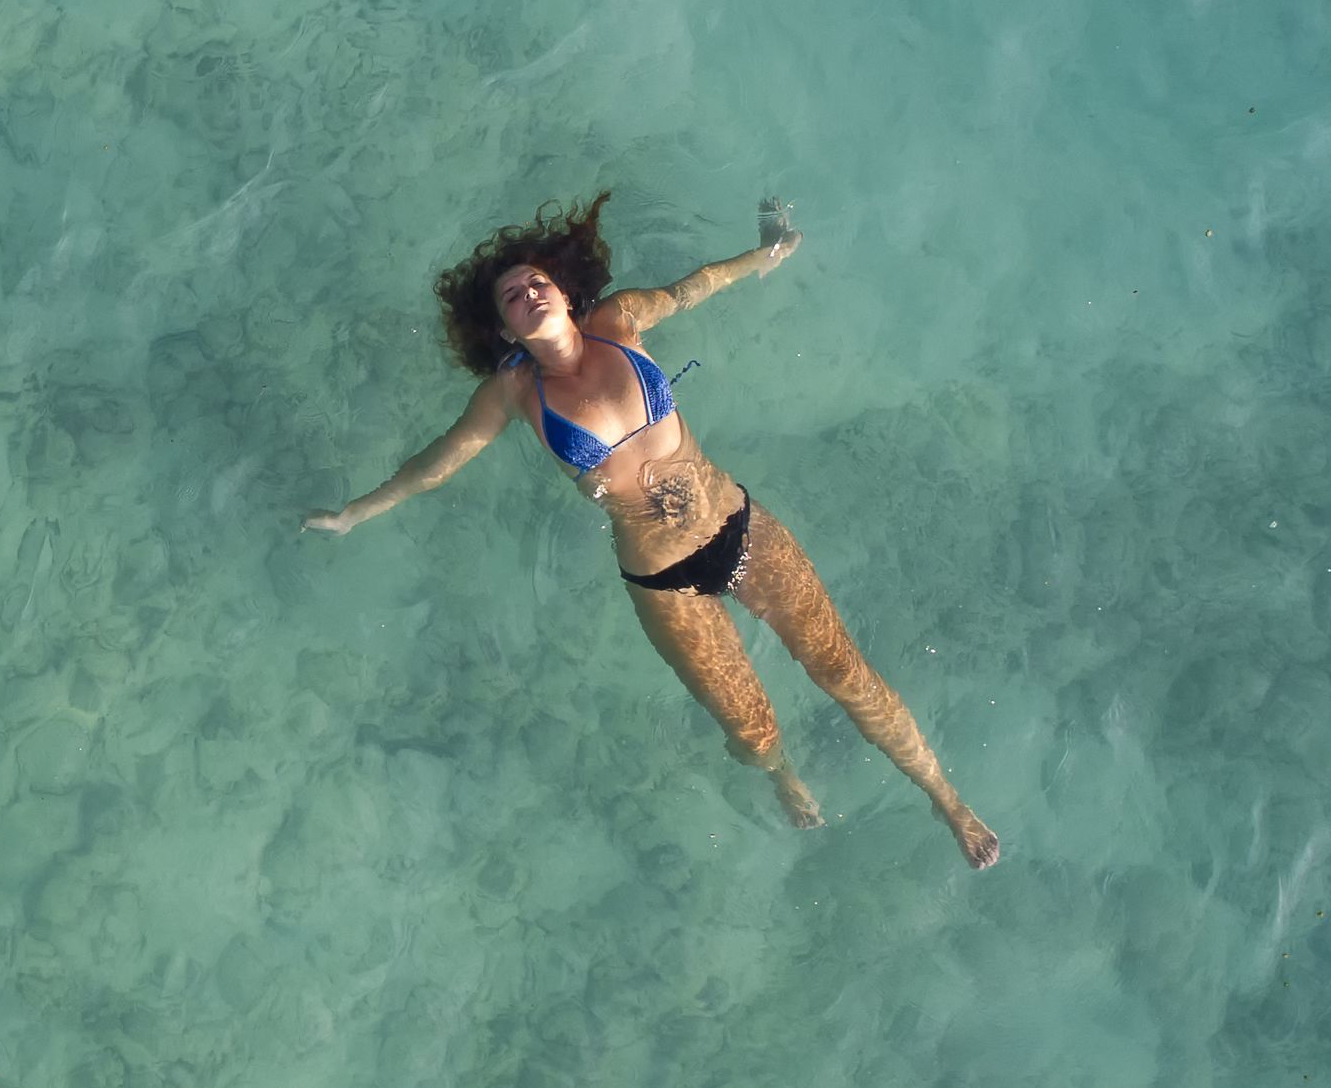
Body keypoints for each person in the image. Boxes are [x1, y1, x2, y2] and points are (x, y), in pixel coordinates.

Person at [305, 192, 1001, 868]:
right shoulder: (513, 394)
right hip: (667, 582)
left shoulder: (620, 322)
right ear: (507, 332)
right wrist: (353, 514)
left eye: (537, 283)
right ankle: (782, 775)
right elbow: (435, 464)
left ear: (566, 296)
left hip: (739, 527)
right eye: (513, 297)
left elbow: (694, 287)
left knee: (845, 671)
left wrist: (766, 253)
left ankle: (947, 800)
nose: (530, 295)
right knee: (753, 734)